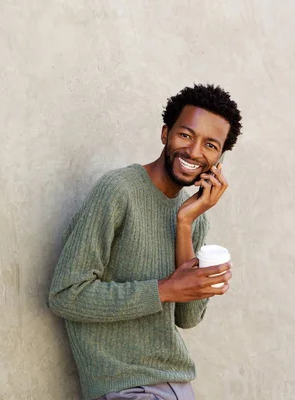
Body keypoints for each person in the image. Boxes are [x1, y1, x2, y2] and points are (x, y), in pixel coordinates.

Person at [48, 84, 243, 400]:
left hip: (178, 388)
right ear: (165, 133)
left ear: (219, 158)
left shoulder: (194, 216)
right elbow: (66, 295)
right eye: (185, 135)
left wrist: (184, 223)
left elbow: (187, 318)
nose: (194, 152)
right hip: (128, 388)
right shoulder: (119, 191)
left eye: (210, 144)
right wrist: (165, 289)